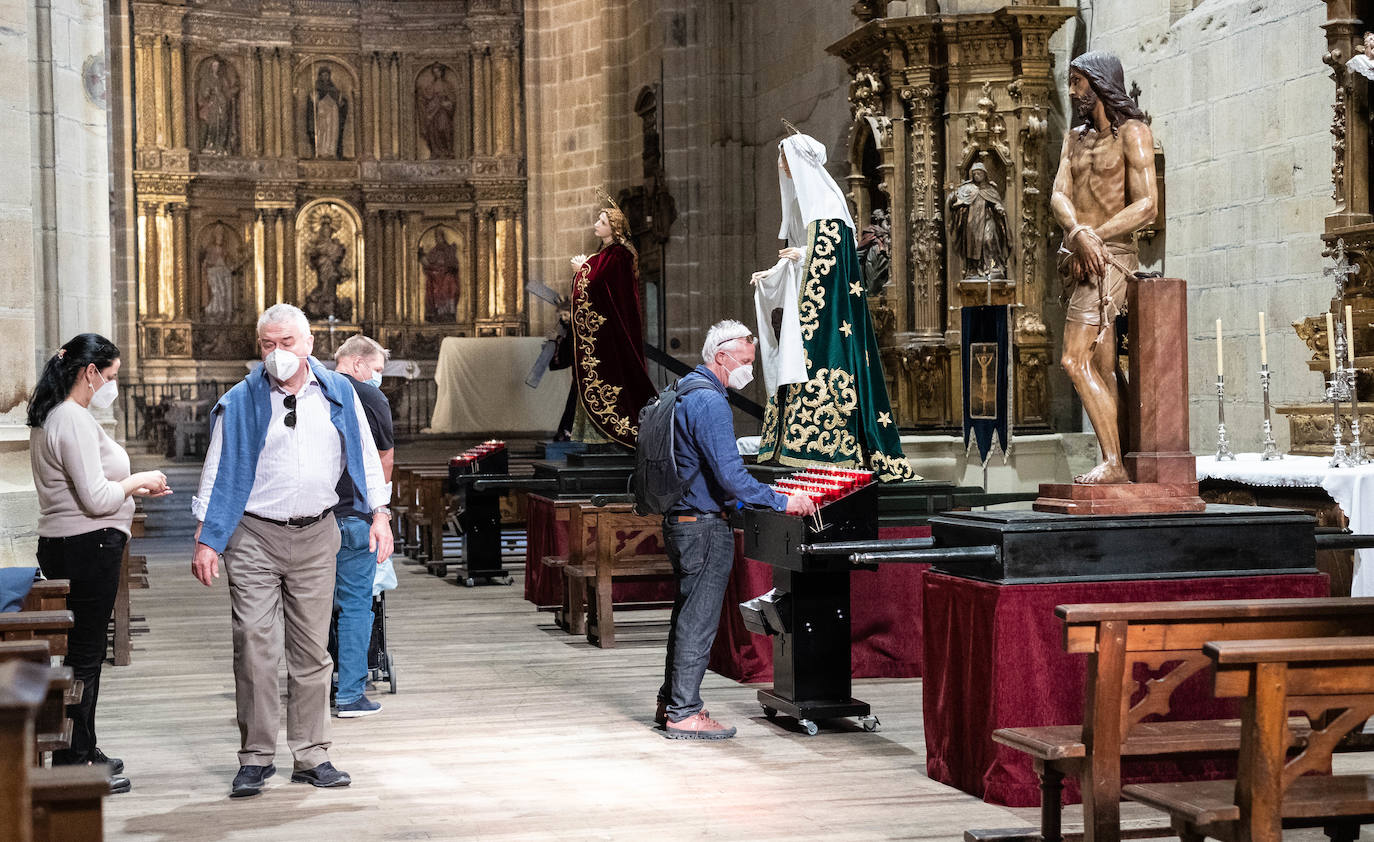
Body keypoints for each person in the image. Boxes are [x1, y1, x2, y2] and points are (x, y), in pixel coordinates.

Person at [191, 303, 392, 798]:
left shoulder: (339, 392)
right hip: (254, 535)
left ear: (307, 344)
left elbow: (366, 457)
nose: (276, 354)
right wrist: (207, 537)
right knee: (255, 647)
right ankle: (256, 757)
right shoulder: (240, 399)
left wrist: (380, 514)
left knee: (310, 652)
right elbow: (217, 468)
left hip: (317, 533)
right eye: (267, 344)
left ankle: (312, 753)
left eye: (285, 343)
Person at [656, 320, 817, 740]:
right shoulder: (709, 401)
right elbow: (731, 477)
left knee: (687, 615)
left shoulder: (683, 391)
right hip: (704, 526)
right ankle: (684, 712)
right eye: (745, 361)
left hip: (681, 520)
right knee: (699, 619)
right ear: (722, 355)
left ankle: (671, 702)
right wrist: (784, 501)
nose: (748, 370)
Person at [27, 333, 172, 794]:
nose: (112, 384)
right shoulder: (70, 418)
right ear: (90, 372)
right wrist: (137, 480)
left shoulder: (60, 414)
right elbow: (95, 499)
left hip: (75, 542)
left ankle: (84, 745)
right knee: (85, 656)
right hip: (88, 544)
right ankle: (75, 760)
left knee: (84, 654)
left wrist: (130, 487)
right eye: (110, 376)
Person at [754, 131, 916, 483]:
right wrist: (774, 272)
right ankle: (789, 443)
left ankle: (825, 448)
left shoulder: (827, 202)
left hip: (828, 318)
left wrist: (799, 256)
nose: (782, 167)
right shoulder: (807, 206)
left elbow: (830, 257)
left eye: (785, 160)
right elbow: (799, 254)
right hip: (808, 312)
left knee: (818, 366)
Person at [1050, 51, 1157, 484]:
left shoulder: (1133, 132)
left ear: (1099, 82)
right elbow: (1058, 194)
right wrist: (1078, 233)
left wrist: (1096, 236)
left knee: (1074, 361)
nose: (1073, 91)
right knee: (1104, 366)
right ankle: (1122, 463)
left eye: (1078, 82)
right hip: (1080, 255)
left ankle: (1114, 463)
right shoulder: (1074, 139)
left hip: (1112, 257)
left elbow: (1148, 204)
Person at [329, 335, 394, 718]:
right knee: (355, 605)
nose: (378, 378)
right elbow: (384, 459)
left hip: (315, 515)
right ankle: (350, 694)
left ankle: (311, 687)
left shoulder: (312, 389)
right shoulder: (371, 397)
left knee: (309, 606)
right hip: (356, 512)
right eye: (377, 370)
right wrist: (381, 512)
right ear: (357, 364)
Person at [567, 203, 657, 448]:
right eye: (598, 220)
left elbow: (600, 285)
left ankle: (612, 437)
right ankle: (596, 437)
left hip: (612, 334)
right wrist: (587, 268)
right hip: (603, 334)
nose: (596, 224)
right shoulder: (607, 253)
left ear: (614, 229)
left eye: (602, 222)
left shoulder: (620, 254)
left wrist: (582, 270)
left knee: (612, 380)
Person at [947, 161, 1010, 278]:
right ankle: (975, 268)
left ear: (984, 174)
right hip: (972, 223)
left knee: (988, 239)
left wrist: (999, 207)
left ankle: (992, 266)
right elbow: (954, 202)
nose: (977, 176)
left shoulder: (990, 189)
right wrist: (953, 195)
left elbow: (996, 202)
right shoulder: (967, 188)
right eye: (975, 174)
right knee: (973, 245)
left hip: (987, 219)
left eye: (979, 174)